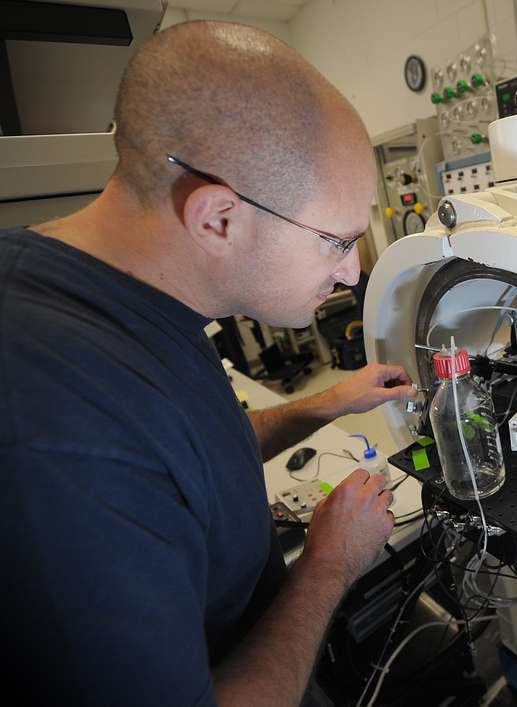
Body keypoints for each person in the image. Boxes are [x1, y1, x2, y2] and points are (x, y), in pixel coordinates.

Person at [0, 21, 415, 706]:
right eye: (338, 240)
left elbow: (184, 459)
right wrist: (328, 564)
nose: (352, 272)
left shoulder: (132, 297)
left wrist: (327, 402)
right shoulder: (53, 437)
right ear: (218, 218)